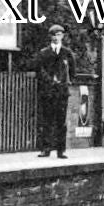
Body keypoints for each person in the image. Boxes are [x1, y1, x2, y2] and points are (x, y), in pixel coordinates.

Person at [35, 24, 75, 159]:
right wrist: (50, 80)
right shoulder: (44, 53)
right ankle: (45, 149)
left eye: (58, 35)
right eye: (54, 35)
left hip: (62, 92)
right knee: (46, 120)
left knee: (61, 122)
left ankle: (61, 150)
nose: (56, 38)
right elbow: (40, 70)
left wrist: (65, 82)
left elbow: (73, 71)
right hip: (48, 91)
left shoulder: (67, 53)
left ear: (62, 36)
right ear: (50, 37)